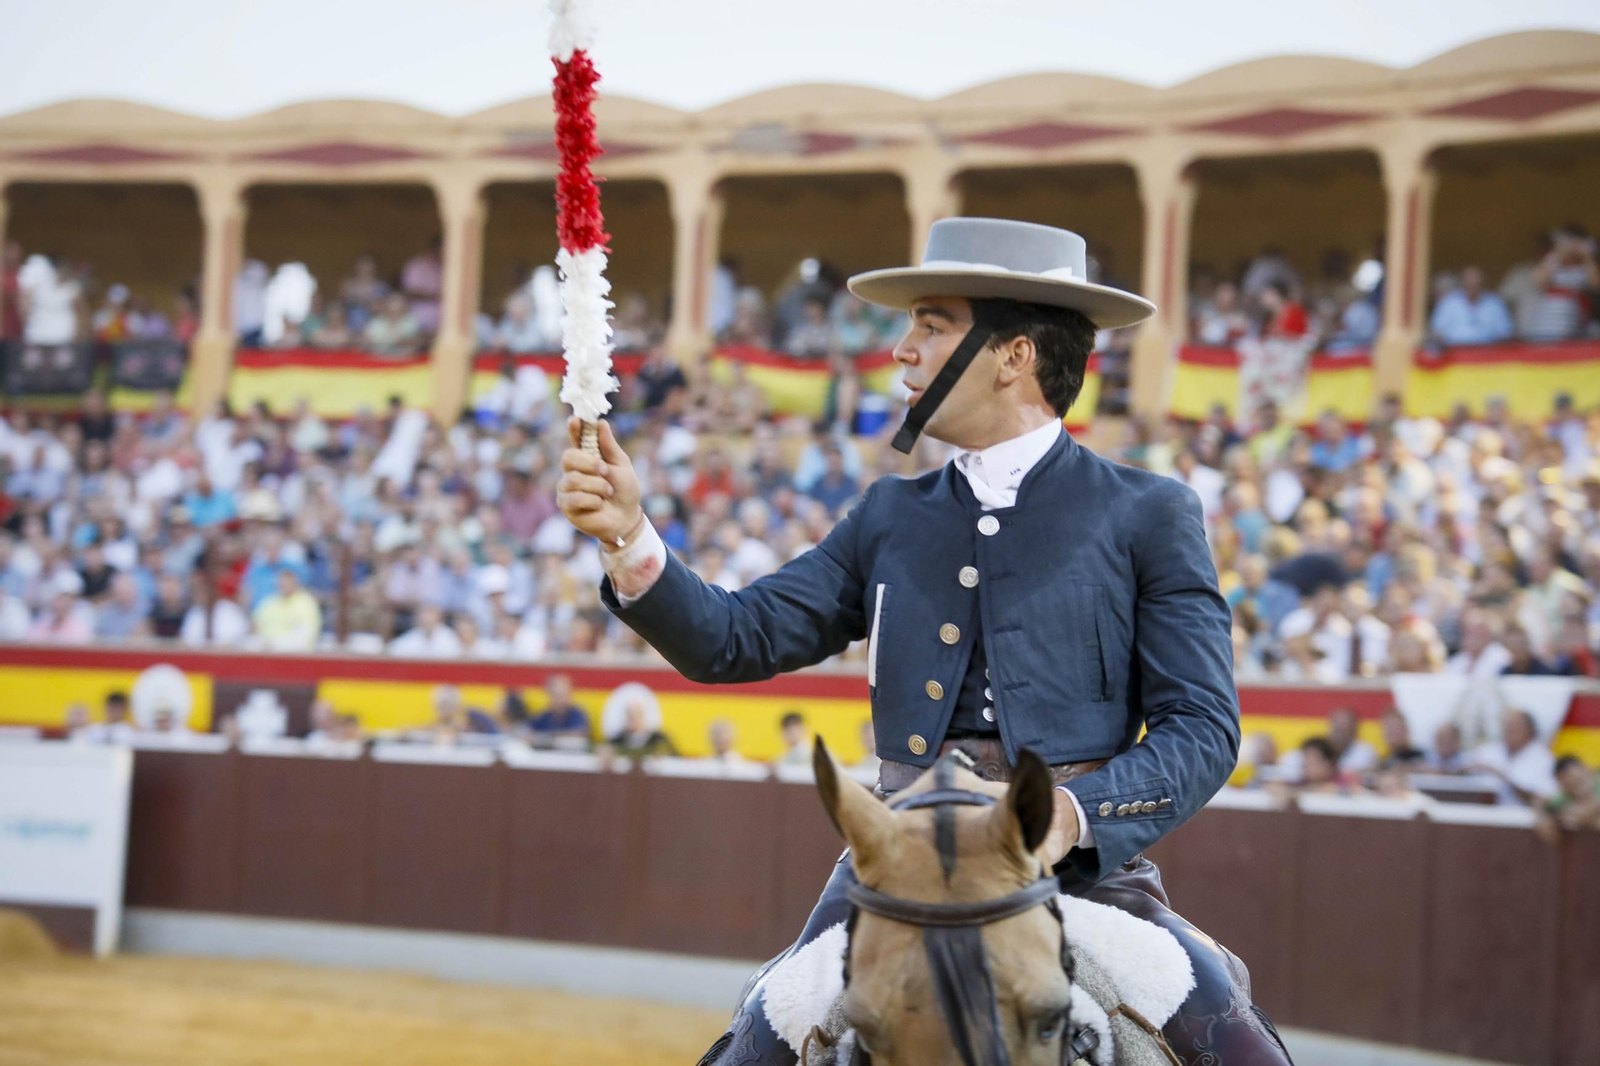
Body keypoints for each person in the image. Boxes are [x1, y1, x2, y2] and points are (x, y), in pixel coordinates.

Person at [559, 217, 1288, 1065]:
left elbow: (1202, 729)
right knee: (750, 1048)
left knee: (1240, 1052)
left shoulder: (1147, 513)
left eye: (931, 324)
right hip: (896, 865)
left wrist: (1070, 817)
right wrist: (628, 536)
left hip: (1081, 874)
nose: (901, 348)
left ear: (1013, 354)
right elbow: (734, 638)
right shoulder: (889, 514)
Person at [1468, 708, 1558, 805]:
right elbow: (1460, 777)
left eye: (1514, 726)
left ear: (1529, 729)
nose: (1508, 729)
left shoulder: (1543, 758)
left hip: (1523, 818)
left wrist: (1504, 777)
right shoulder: (1487, 751)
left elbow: (1545, 799)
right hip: (1480, 816)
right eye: (1506, 725)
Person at [1429, 267, 1513, 347]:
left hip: (1488, 353)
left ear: (1482, 283)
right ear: (1462, 283)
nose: (1472, 287)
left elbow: (1506, 333)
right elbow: (1436, 332)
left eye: (1475, 284)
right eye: (1469, 283)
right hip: (1454, 353)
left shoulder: (1495, 303)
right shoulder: (1448, 303)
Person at [528, 674, 593, 749]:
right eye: (557, 696)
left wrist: (549, 736)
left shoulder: (577, 714)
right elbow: (527, 729)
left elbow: (580, 734)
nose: (561, 700)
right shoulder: (546, 716)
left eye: (564, 695)